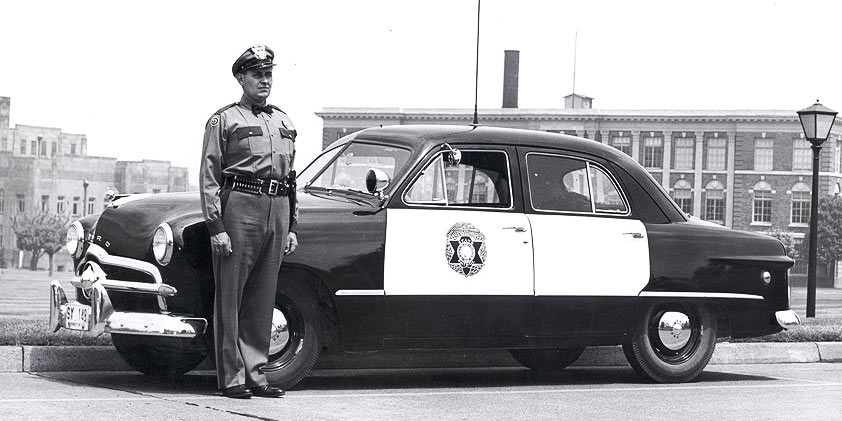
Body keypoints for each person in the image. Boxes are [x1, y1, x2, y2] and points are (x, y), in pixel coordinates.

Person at [199, 44, 299, 399]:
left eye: (268, 74)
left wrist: (292, 225)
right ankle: (232, 378)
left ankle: (257, 373)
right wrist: (216, 226)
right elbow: (210, 176)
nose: (264, 81)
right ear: (241, 77)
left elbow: (292, 177)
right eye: (257, 74)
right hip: (239, 207)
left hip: (277, 209)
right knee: (231, 297)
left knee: (262, 297)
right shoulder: (224, 120)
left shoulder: (283, 120)